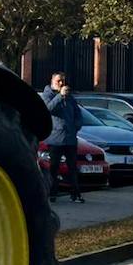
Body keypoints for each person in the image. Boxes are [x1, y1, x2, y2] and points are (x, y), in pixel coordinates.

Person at [40, 72, 84, 203]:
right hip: (55, 139)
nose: (61, 83)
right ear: (52, 81)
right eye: (59, 81)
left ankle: (75, 194)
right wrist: (60, 96)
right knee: (54, 167)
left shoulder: (69, 97)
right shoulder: (47, 95)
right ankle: (52, 193)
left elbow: (78, 113)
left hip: (70, 139)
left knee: (72, 168)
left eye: (63, 81)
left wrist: (76, 126)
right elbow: (48, 109)